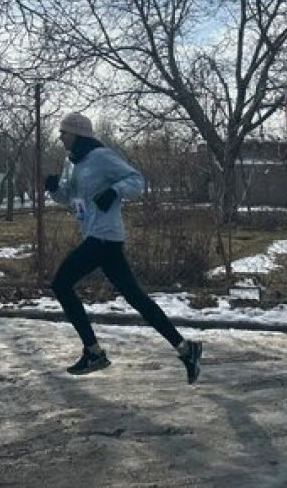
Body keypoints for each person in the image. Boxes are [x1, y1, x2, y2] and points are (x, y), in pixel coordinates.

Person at [45, 111, 203, 384]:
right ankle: (186, 348)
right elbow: (67, 196)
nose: (60, 137)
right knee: (136, 297)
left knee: (60, 284)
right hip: (96, 236)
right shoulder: (71, 162)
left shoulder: (102, 157)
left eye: (64, 132)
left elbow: (136, 181)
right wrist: (53, 189)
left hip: (103, 236)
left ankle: (94, 352)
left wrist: (114, 191)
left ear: (78, 134)